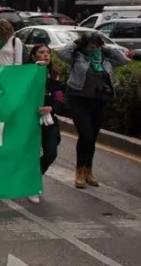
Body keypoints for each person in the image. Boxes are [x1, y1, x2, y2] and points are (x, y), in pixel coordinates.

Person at [58, 32, 129, 188]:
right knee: (86, 134)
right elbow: (62, 53)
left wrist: (106, 48)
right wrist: (77, 44)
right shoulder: (77, 57)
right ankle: (79, 171)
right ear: (85, 46)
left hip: (99, 102)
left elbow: (123, 59)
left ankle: (88, 170)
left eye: (97, 46)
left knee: (92, 137)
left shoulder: (106, 59)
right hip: (79, 99)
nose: (94, 49)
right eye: (91, 46)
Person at [28, 44, 63, 204]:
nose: (45, 55)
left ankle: (34, 178)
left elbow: (59, 98)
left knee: (51, 152)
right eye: (41, 52)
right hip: (28, 120)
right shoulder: (27, 72)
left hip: (48, 119)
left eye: (48, 52)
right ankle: (31, 186)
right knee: (29, 153)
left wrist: (52, 108)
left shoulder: (55, 75)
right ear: (34, 56)